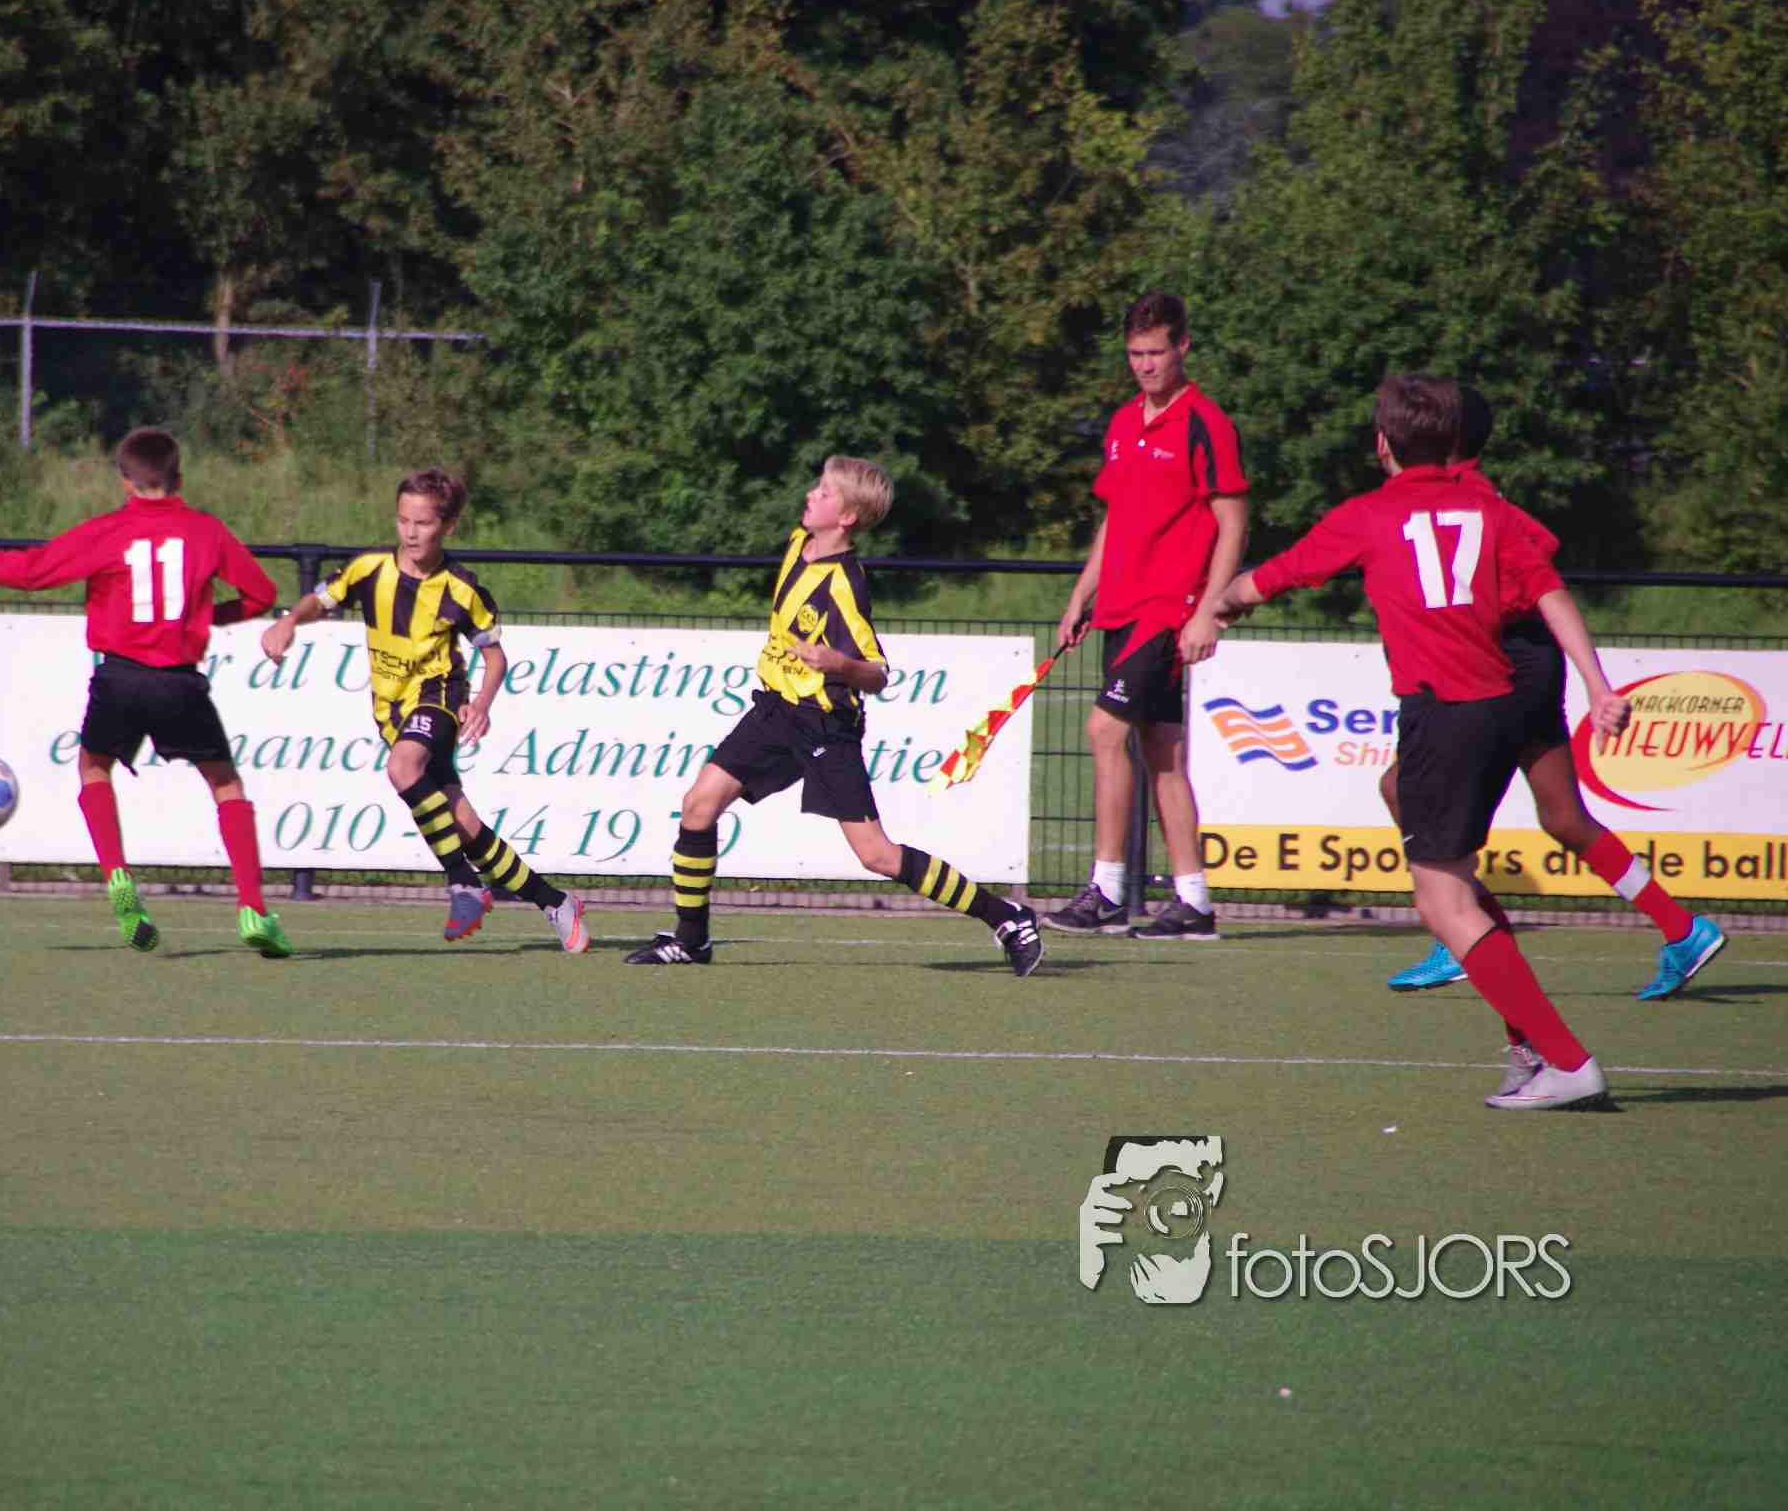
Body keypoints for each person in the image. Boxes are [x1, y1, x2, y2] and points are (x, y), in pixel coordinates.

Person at [1206, 374, 1630, 1110]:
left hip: (1445, 717)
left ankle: (1566, 1060)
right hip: (1501, 707)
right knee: (1455, 883)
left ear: (1383, 444)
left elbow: (1274, 576)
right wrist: (1599, 685)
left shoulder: (1370, 515)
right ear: (1452, 443)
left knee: (1442, 902)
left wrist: (1218, 604)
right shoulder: (1490, 509)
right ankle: (1532, 1050)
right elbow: (1552, 592)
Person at [624, 456, 1045, 974]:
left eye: (824, 493)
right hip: (776, 710)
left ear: (847, 517)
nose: (811, 495)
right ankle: (692, 940)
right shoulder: (799, 543)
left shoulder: (845, 585)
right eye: (817, 487)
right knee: (698, 805)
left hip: (824, 725)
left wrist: (838, 664)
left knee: (876, 854)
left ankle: (1007, 917)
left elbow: (877, 673)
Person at [1380, 386, 1726, 1000]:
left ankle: (1463, 929)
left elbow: (1541, 571)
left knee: (1407, 792)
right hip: (1528, 659)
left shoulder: (1465, 498)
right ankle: (1682, 928)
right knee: (1564, 816)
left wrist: (1596, 683)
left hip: (1497, 664)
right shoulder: (1465, 495)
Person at [0, 426, 293, 958]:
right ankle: (253, 908)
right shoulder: (207, 531)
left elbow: (30, 572)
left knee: (94, 768)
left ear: (125, 480)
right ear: (178, 478)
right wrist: (204, 616)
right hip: (180, 681)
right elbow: (261, 593)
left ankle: (118, 876)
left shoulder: (107, 532)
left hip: (120, 678)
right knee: (225, 784)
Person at [258, 467, 588, 952]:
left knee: (402, 767)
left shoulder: (461, 588)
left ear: (448, 526)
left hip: (440, 696)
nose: (411, 533)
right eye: (403, 520)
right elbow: (320, 600)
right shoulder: (369, 570)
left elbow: (495, 657)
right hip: (390, 711)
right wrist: (289, 623)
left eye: (424, 523)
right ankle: (555, 902)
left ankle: (463, 883)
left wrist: (482, 703)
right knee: (463, 824)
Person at [1047, 292, 1249, 941]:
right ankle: (1194, 903)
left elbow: (1233, 521)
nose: (1145, 365)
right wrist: (1081, 595)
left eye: (1156, 352)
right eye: (1135, 354)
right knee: (1163, 751)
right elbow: (1116, 519)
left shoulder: (1206, 424)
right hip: (1120, 608)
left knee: (1103, 732)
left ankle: (1106, 892)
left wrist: (1208, 611)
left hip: (1167, 610)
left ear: (1182, 346)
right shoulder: (1121, 423)